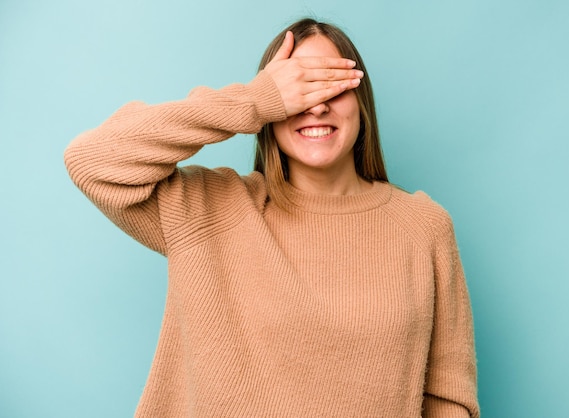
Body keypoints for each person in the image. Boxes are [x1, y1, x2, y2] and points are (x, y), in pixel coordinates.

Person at [65, 18, 479, 418]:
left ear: (361, 101)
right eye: (300, 87)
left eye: (331, 84)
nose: (316, 105)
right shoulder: (210, 209)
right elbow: (91, 159)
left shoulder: (423, 227)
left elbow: (447, 399)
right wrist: (256, 99)